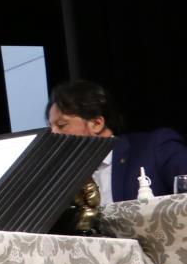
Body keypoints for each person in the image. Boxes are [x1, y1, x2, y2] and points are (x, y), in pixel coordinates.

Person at [47, 80, 187, 201]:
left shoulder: (156, 146)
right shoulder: (65, 176)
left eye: (61, 125)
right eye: (50, 127)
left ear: (97, 123)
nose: (52, 133)